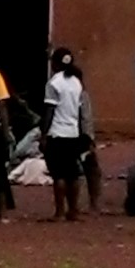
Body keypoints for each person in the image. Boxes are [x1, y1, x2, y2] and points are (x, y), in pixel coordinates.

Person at [41, 48, 91, 220]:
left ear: (54, 63)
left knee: (58, 174)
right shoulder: (76, 82)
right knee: (73, 173)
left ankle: (60, 211)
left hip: (57, 133)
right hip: (72, 132)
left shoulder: (53, 83)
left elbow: (50, 110)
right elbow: (78, 110)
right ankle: (74, 210)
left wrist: (43, 134)